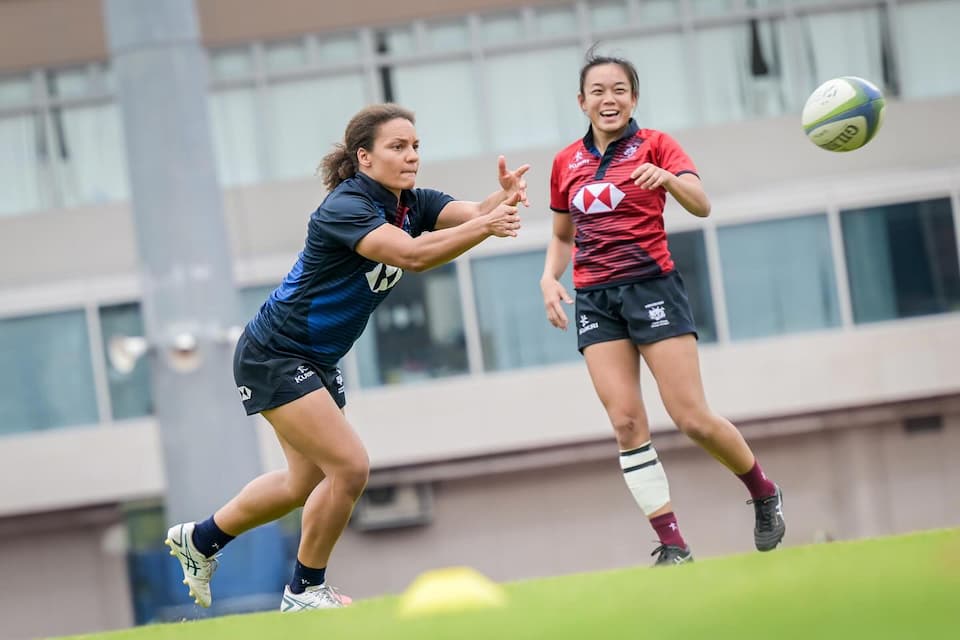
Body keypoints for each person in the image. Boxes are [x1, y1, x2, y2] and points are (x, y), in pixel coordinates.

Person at [165, 103, 529, 611]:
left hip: (314, 359)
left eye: (416, 146)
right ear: (364, 157)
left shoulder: (411, 202)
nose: (411, 156)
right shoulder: (347, 207)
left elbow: (468, 214)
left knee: (303, 481)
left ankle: (200, 540)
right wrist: (489, 224)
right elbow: (414, 255)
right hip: (274, 352)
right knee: (351, 469)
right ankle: (305, 589)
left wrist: (501, 200)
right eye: (397, 147)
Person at [539, 48, 785, 566]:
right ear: (581, 101)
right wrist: (548, 278)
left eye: (619, 90)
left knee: (691, 418)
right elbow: (563, 234)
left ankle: (764, 492)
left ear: (634, 99)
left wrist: (669, 179)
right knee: (626, 423)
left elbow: (701, 203)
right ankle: (673, 544)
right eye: (598, 91)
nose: (609, 99)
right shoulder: (565, 162)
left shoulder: (657, 145)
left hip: (652, 287)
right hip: (594, 298)